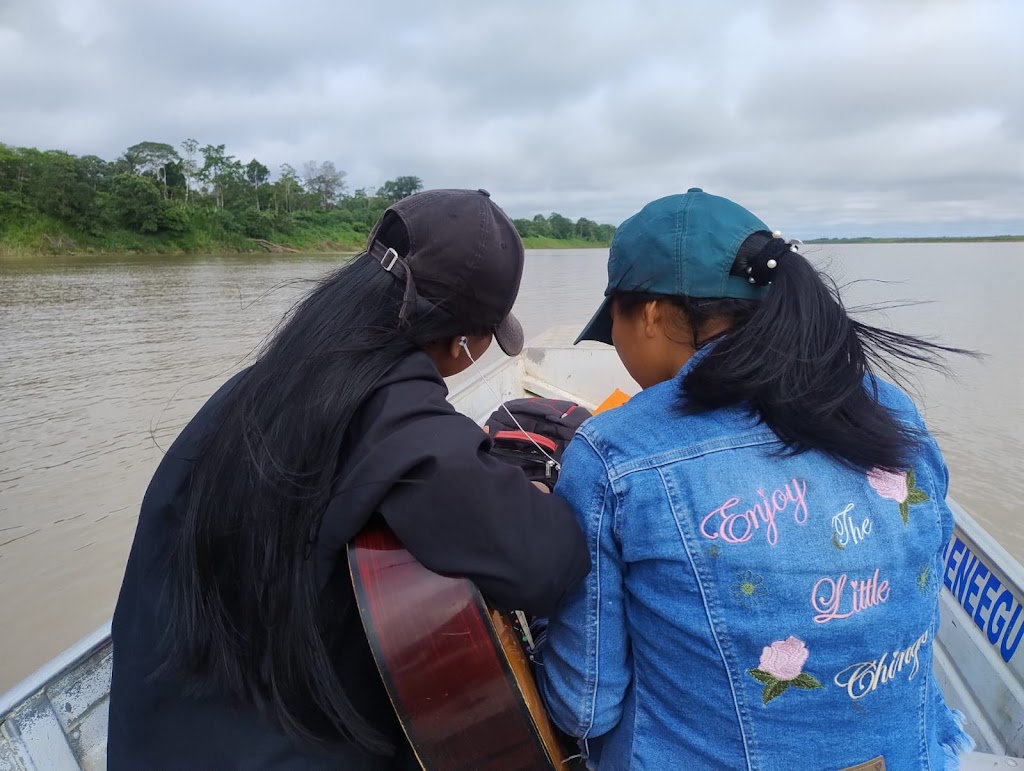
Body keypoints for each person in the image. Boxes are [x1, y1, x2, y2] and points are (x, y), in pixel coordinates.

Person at [107, 188, 591, 769]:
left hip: (154, 738)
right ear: (464, 342)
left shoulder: (257, 386)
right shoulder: (398, 419)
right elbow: (549, 562)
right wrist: (536, 490)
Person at [536, 188, 976, 770]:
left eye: (612, 320)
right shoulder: (892, 409)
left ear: (649, 314)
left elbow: (583, 709)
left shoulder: (615, 451)